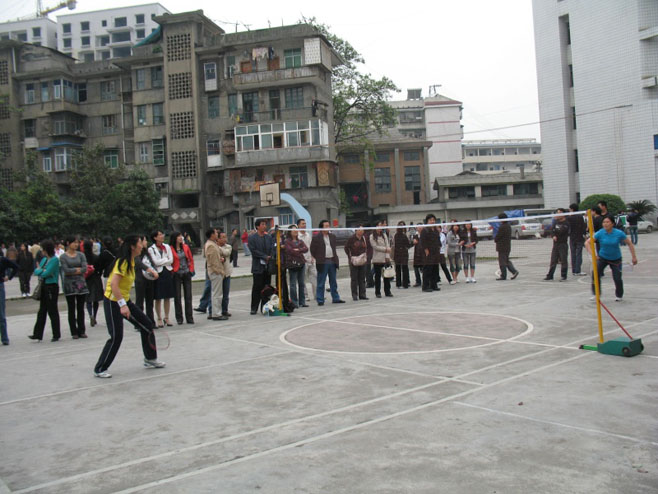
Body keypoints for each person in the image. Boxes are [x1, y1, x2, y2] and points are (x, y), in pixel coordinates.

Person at [93, 234, 165, 378]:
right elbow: (114, 285)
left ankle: (150, 358)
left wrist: (151, 270)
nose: (142, 245)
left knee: (147, 325)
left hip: (125, 300)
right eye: (140, 243)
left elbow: (140, 264)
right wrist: (122, 305)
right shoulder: (123, 262)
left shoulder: (132, 259)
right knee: (116, 336)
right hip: (113, 301)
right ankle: (100, 368)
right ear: (132, 246)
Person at [585, 216, 638, 301]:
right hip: (602, 258)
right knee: (595, 274)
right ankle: (596, 294)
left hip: (616, 259)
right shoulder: (600, 233)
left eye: (607, 222)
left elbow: (630, 244)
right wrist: (594, 255)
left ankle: (619, 295)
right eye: (604, 222)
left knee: (617, 278)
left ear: (612, 223)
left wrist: (634, 257)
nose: (605, 224)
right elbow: (587, 243)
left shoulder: (619, 233)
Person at [29, 239, 61, 342]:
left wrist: (41, 270)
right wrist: (42, 270)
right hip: (44, 285)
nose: (41, 251)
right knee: (42, 311)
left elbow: (47, 273)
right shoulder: (44, 260)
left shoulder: (54, 260)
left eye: (42, 249)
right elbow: (36, 271)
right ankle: (37, 334)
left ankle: (56, 334)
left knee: (52, 310)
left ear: (46, 249)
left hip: (51, 286)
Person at [59, 236, 89, 339]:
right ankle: (74, 332)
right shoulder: (63, 257)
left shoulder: (81, 255)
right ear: (68, 243)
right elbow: (66, 270)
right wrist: (77, 270)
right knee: (71, 309)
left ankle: (82, 330)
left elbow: (84, 268)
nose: (76, 244)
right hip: (69, 285)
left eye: (77, 242)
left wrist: (74, 270)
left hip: (81, 284)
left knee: (81, 308)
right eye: (74, 242)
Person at [310, 220, 344, 305]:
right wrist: (318, 257)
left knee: (333, 281)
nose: (328, 227)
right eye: (326, 226)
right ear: (321, 228)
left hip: (332, 260)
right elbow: (312, 250)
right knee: (321, 282)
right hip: (322, 262)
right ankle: (320, 300)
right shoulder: (316, 237)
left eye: (328, 225)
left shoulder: (332, 236)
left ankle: (335, 298)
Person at [148, 230, 174, 327]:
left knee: (167, 296)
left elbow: (171, 260)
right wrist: (165, 260)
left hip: (167, 271)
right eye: (159, 235)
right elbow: (155, 262)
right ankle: (159, 318)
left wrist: (163, 261)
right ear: (155, 237)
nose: (162, 236)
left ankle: (166, 317)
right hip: (158, 273)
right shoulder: (151, 249)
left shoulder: (167, 247)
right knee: (158, 297)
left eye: (162, 234)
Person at [248, 220, 274, 314]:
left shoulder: (268, 237)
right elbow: (253, 250)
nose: (264, 226)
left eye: (265, 224)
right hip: (258, 266)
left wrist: (270, 256)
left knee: (267, 287)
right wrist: (264, 256)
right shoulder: (252, 238)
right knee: (257, 287)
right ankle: (254, 307)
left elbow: (272, 248)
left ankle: (265, 307)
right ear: (257, 226)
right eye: (262, 224)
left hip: (267, 266)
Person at [170, 231, 195, 325]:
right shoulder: (170, 248)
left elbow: (190, 259)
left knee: (188, 296)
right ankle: (179, 317)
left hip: (186, 272)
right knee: (177, 296)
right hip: (176, 273)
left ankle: (189, 317)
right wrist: (173, 271)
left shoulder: (185, 247)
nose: (181, 238)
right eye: (179, 236)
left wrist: (191, 270)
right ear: (175, 238)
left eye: (181, 236)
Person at [133, 236, 158, 326]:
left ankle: (150, 321)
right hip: (140, 279)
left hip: (149, 279)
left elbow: (152, 263)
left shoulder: (147, 252)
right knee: (139, 302)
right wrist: (149, 269)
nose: (146, 242)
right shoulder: (136, 253)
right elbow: (138, 263)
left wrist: (154, 270)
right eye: (144, 240)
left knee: (150, 301)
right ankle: (139, 322)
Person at [284, 225, 308, 308]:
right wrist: (299, 250)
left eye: (296, 230)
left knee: (302, 283)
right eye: (293, 230)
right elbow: (290, 251)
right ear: (290, 232)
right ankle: (294, 302)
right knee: (293, 284)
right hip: (292, 264)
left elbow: (306, 249)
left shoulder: (300, 241)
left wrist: (298, 249)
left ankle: (302, 301)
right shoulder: (287, 241)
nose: (295, 231)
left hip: (301, 263)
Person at [544, 209, 570, 281]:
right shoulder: (555, 222)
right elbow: (551, 230)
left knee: (563, 260)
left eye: (560, 213)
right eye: (557, 213)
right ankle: (550, 275)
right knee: (553, 260)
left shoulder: (566, 223)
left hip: (563, 244)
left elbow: (561, 231)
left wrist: (555, 232)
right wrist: (553, 235)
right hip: (556, 244)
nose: (558, 214)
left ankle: (563, 276)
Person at [83, 239, 104, 327]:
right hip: (96, 278)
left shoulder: (83, 257)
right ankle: (94, 316)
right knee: (96, 299)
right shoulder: (96, 257)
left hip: (86, 279)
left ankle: (90, 314)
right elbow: (100, 268)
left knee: (88, 299)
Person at [344, 225, 368, 301]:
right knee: (354, 278)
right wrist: (350, 256)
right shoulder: (351, 239)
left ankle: (362, 294)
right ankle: (354, 294)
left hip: (362, 261)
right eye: (360, 230)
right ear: (356, 230)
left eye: (362, 230)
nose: (361, 231)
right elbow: (346, 248)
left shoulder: (363, 238)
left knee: (362, 278)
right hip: (354, 261)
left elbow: (366, 248)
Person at [0, 247, 19, 345]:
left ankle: (4, 338)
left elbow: (16, 267)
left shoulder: (2, 260)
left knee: (1, 314)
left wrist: (9, 277)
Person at [370, 221, 393, 298]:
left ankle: (387, 291)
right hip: (377, 259)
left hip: (385, 258)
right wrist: (385, 249)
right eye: (379, 225)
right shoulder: (372, 236)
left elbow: (387, 245)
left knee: (386, 276)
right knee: (377, 276)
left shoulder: (384, 235)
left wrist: (387, 255)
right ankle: (378, 292)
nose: (381, 227)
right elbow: (375, 247)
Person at [495, 213, 519, 281]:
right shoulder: (508, 226)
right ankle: (514, 271)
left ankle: (504, 275)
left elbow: (498, 236)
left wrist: (495, 239)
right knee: (506, 260)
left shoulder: (502, 227)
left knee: (502, 261)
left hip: (502, 247)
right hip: (507, 246)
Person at [297, 219, 316, 305]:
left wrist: (312, 256)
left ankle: (317, 295)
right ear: (298, 225)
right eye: (302, 224)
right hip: (302, 260)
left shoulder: (308, 235)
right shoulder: (297, 236)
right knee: (302, 279)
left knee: (314, 276)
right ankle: (305, 296)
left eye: (305, 223)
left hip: (310, 260)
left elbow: (311, 247)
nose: (304, 225)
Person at [420, 214, 440, 292]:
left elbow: (438, 240)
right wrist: (426, 250)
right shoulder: (425, 230)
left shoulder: (436, 230)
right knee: (427, 270)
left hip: (435, 252)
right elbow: (422, 241)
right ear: (427, 221)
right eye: (430, 220)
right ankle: (425, 286)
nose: (432, 221)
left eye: (433, 220)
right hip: (428, 252)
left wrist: (439, 247)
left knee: (435, 269)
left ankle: (434, 285)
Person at [217, 231, 233, 318]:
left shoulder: (228, 247)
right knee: (216, 294)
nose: (225, 239)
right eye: (222, 237)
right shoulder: (214, 246)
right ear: (218, 239)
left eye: (225, 237)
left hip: (226, 273)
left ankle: (224, 310)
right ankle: (215, 311)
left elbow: (226, 253)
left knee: (225, 294)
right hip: (217, 273)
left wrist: (217, 248)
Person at [568, 204, 587, 276]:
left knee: (573, 254)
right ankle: (577, 270)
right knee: (578, 254)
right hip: (579, 237)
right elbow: (583, 226)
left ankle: (574, 270)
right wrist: (584, 234)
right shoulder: (580, 217)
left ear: (572, 209)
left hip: (572, 237)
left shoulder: (569, 217)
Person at [393, 221, 411, 289]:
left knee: (398, 269)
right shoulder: (403, 235)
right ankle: (405, 283)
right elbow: (408, 245)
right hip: (403, 253)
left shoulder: (396, 235)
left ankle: (399, 283)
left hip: (397, 253)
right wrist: (412, 243)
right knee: (404, 268)